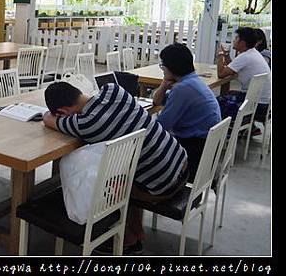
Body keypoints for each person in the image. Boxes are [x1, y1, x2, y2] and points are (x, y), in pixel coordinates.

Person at [43, 82, 189, 254]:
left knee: (111, 181)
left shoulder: (87, 125)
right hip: (182, 166)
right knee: (125, 170)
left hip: (161, 187)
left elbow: (48, 119)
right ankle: (136, 233)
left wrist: (51, 116)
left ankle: (126, 238)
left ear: (62, 112)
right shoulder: (114, 90)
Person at [152, 43, 221, 181]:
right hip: (206, 146)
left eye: (163, 66)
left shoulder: (182, 89)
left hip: (194, 149)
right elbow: (156, 101)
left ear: (171, 67)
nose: (162, 69)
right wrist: (164, 83)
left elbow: (161, 126)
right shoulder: (192, 81)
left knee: (148, 148)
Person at [216, 27, 271, 121]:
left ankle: (225, 130)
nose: (234, 40)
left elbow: (221, 74)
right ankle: (248, 128)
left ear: (242, 43)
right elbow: (232, 67)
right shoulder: (253, 53)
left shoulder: (245, 56)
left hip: (256, 105)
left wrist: (220, 55)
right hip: (264, 102)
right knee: (228, 93)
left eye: (236, 38)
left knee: (215, 102)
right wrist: (226, 55)